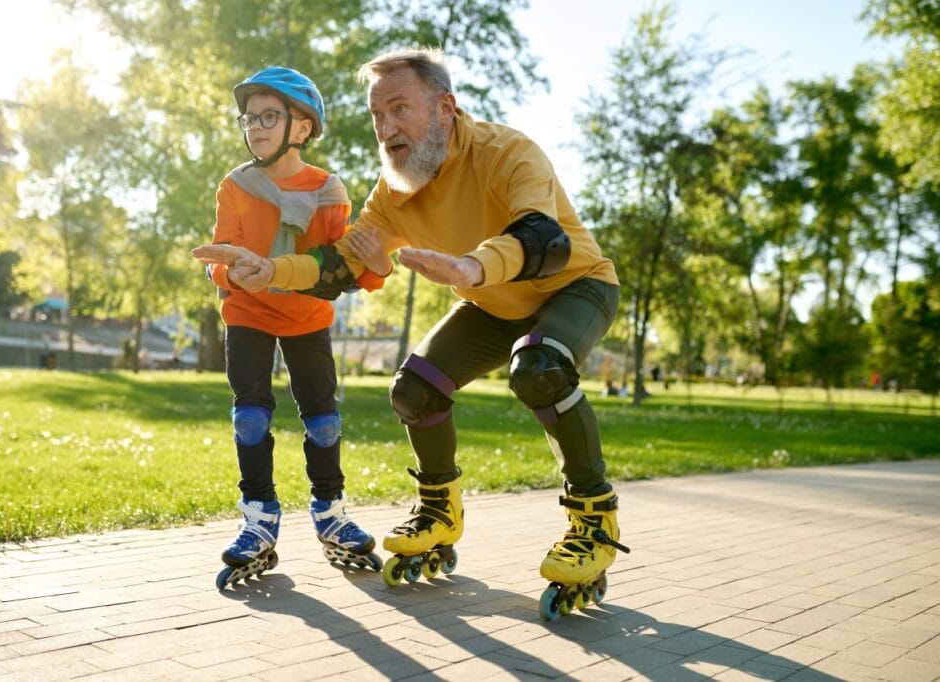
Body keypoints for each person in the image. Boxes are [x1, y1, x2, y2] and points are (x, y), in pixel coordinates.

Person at [193, 49, 628, 615]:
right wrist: (271, 270)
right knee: (414, 389)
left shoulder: (507, 152)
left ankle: (592, 519)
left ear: (445, 108)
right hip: (495, 306)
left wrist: (472, 267)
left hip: (573, 287)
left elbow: (543, 236)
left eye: (400, 109)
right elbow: (338, 263)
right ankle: (439, 511)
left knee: (539, 367)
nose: (386, 128)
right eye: (377, 115)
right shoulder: (393, 191)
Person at [198, 66, 393, 581]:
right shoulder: (236, 186)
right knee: (251, 417)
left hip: (306, 316)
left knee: (324, 421)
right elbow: (222, 255)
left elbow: (335, 268)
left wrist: (373, 264)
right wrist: (227, 266)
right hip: (248, 314)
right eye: (249, 118)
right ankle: (259, 519)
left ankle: (330, 513)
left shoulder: (329, 192)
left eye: (269, 116)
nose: (256, 127)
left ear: (302, 128)